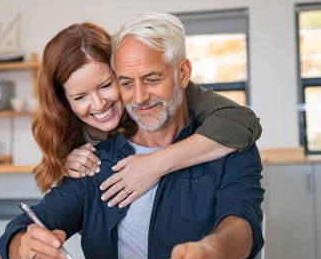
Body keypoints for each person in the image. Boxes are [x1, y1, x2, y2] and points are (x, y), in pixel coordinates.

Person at [0, 13, 264, 259]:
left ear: (183, 74)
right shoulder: (95, 160)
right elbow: (23, 226)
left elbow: (242, 222)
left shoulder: (226, 144)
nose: (139, 97)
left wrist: (214, 250)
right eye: (125, 83)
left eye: (151, 79)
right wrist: (22, 245)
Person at [32, 23, 261, 209]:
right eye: (80, 97)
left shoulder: (169, 97)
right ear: (64, 100)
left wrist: (154, 164)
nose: (99, 103)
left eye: (105, 85)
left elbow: (243, 122)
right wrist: (64, 163)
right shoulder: (62, 125)